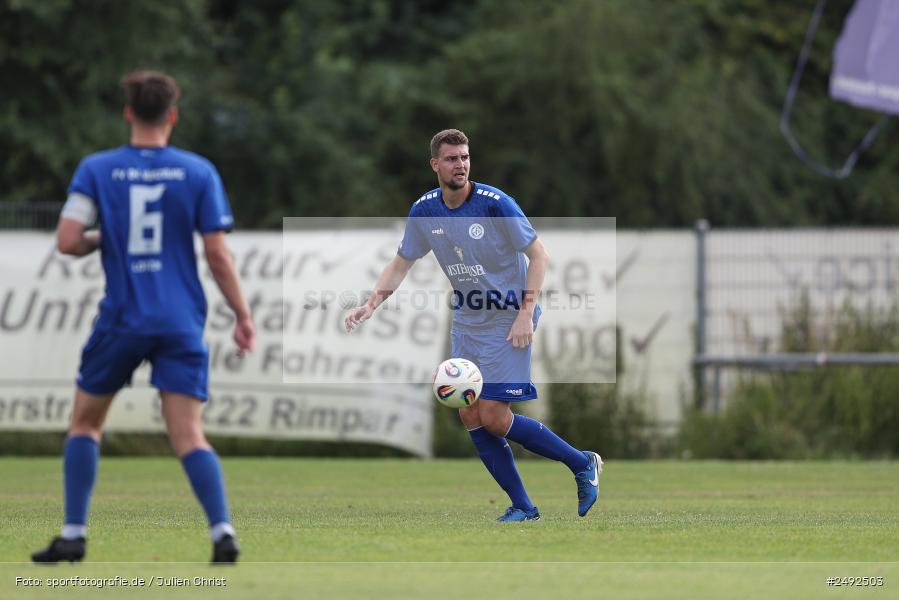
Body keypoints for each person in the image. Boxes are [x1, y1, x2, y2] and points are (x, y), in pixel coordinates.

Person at [31, 70, 255, 563]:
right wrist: (242, 314)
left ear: (129, 112)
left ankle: (73, 534)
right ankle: (222, 532)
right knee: (189, 434)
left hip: (123, 319)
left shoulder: (97, 169)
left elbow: (67, 240)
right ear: (172, 114)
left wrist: (99, 239)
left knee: (86, 424)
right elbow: (218, 255)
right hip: (180, 322)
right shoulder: (198, 172)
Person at [345, 129, 602, 521]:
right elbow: (401, 263)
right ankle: (523, 506)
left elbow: (540, 255)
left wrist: (524, 313)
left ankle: (581, 463)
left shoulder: (496, 204)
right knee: (469, 412)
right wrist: (371, 303)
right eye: (451, 158)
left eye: (464, 157)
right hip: (468, 317)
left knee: (496, 418)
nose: (460, 164)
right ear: (435, 164)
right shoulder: (425, 210)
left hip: (508, 317)